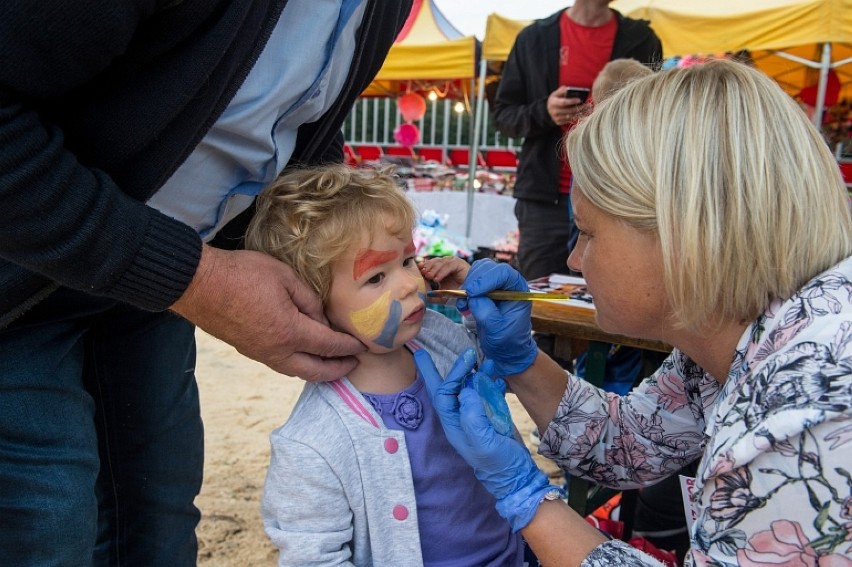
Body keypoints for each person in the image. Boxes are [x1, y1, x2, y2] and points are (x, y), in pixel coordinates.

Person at [0, 2, 411, 564]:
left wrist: (328, 254)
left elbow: (301, 132)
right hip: (18, 277)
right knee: (43, 521)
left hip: (149, 287)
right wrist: (200, 279)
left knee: (156, 518)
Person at [416, 59, 852, 565]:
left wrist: (525, 496)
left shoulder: (806, 420)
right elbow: (632, 441)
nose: (574, 259)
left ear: (683, 235)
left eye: (589, 231)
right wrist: (518, 358)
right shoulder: (747, 328)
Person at [244, 164, 529, 566]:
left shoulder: (437, 335)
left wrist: (478, 315)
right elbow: (314, 558)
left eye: (408, 260)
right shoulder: (310, 443)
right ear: (310, 306)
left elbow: (503, 375)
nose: (409, 282)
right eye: (376, 277)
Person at [491, 0, 661, 281]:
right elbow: (504, 115)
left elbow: (653, 114)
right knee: (540, 300)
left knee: (611, 300)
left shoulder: (641, 39)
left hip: (615, 197)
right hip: (546, 199)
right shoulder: (533, 38)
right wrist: (544, 111)